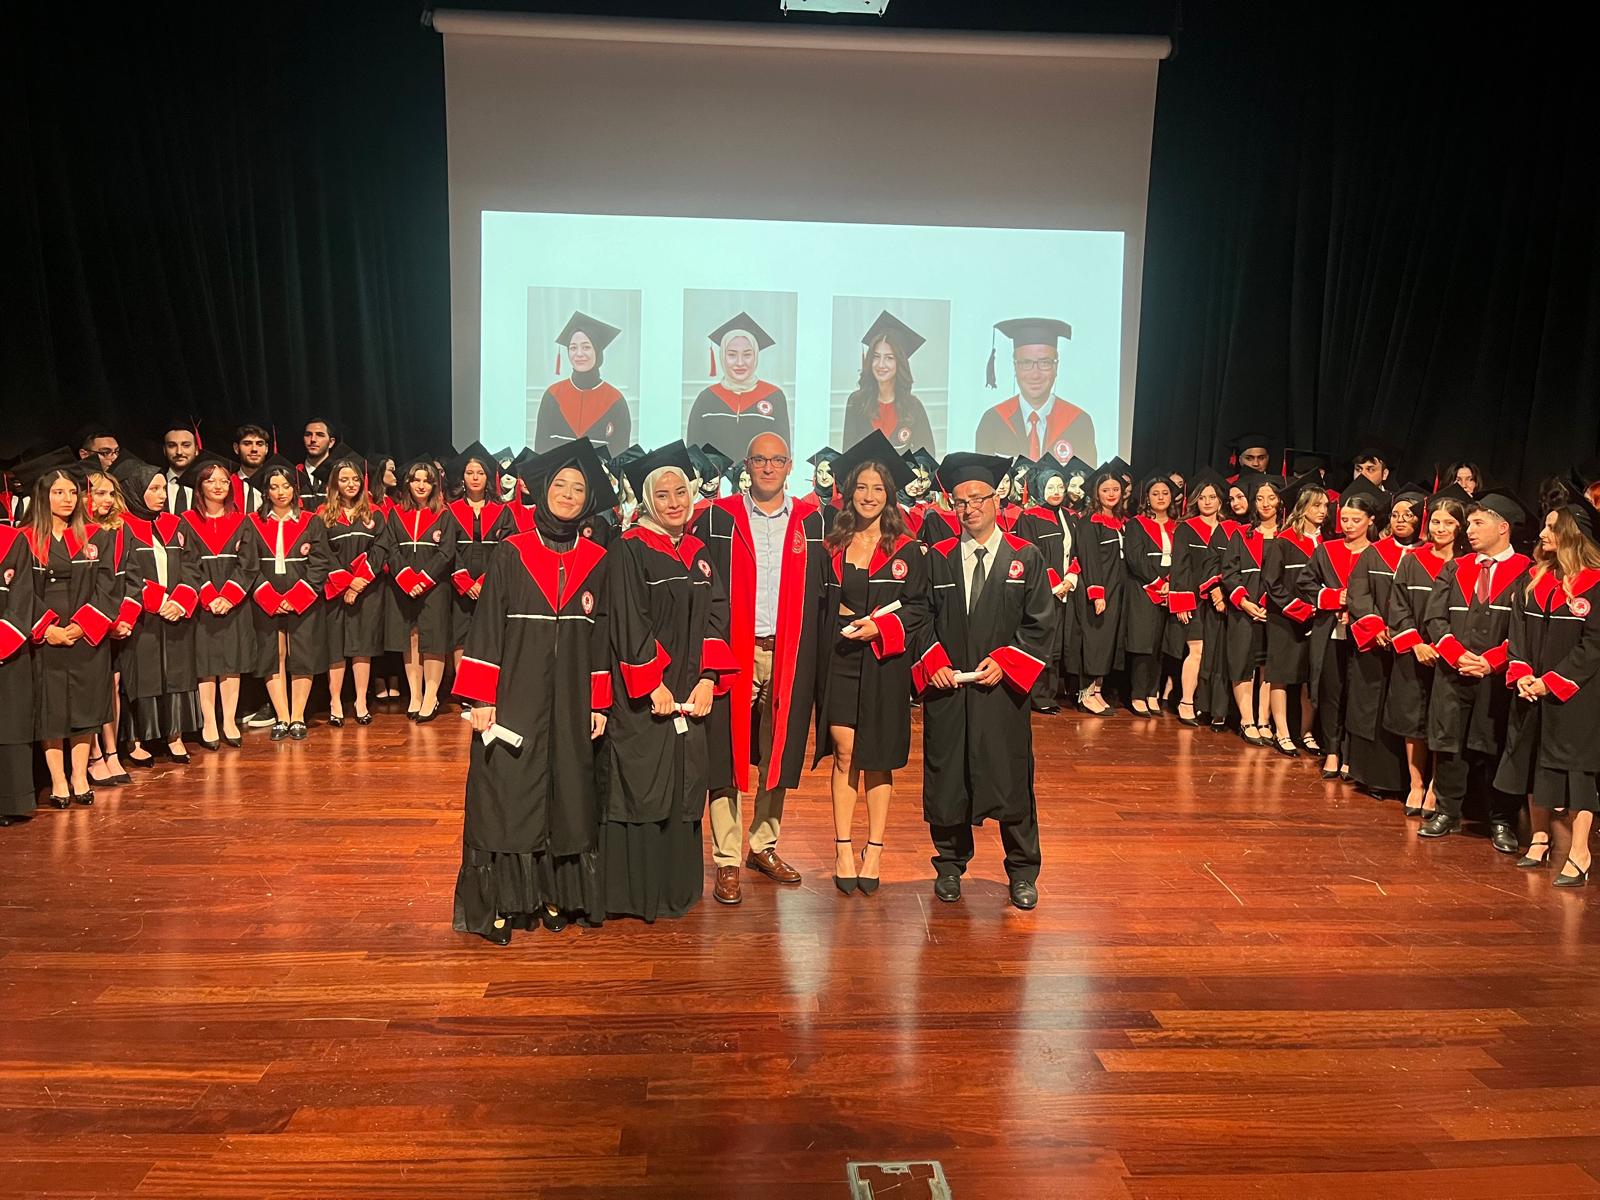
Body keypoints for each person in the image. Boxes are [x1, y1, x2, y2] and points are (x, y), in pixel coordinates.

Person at [453, 439, 616, 943]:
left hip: (571, 698)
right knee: (507, 790)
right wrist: (481, 698)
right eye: (560, 485)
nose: (568, 494)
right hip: (515, 692)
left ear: (588, 500)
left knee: (566, 790)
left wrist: (599, 701)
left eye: (578, 488)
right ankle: (502, 902)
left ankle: (553, 892)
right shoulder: (513, 551)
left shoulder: (597, 559)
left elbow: (601, 635)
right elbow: (486, 626)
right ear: (543, 491)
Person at [914, 451, 1056, 910]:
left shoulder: (1025, 557)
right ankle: (949, 864)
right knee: (948, 776)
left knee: (1011, 774)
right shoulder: (937, 559)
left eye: (978, 498)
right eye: (960, 501)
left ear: (997, 500)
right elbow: (920, 618)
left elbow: (1040, 623)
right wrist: (934, 661)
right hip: (949, 688)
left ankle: (1022, 870)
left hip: (1002, 692)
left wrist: (1007, 661)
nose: (969, 508)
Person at [601, 442, 735, 922]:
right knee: (642, 785)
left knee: (684, 784)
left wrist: (708, 678)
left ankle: (678, 889)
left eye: (681, 492)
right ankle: (638, 895)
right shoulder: (630, 547)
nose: (675, 502)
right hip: (645, 698)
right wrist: (652, 682)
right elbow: (627, 620)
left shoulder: (698, 552)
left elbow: (717, 616)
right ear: (647, 500)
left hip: (691, 695)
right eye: (663, 495)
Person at [691, 431, 827, 906]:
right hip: (735, 651)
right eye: (760, 460)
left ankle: (763, 845)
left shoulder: (813, 521)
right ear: (746, 465)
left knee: (777, 751)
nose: (769, 467)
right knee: (725, 751)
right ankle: (727, 857)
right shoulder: (717, 518)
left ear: (790, 467)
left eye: (778, 460)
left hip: (788, 651)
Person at [813, 431, 930, 896]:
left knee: (878, 758)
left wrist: (880, 628)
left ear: (889, 494)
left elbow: (918, 608)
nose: (869, 495)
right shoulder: (832, 544)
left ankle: (875, 849)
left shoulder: (906, 548)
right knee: (845, 753)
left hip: (884, 660)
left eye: (878, 488)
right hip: (840, 655)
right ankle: (843, 847)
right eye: (861, 487)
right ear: (849, 491)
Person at [1417, 491, 1533, 851]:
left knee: (1494, 746)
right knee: (1448, 743)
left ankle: (1500, 820)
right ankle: (1448, 813)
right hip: (1454, 672)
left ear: (1503, 527)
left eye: (1478, 522)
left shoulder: (1526, 571)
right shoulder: (1457, 567)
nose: (1469, 530)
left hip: (1497, 678)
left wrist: (1492, 661)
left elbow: (1526, 630)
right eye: (1468, 523)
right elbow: (1434, 617)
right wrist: (1456, 655)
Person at [1496, 500, 1600, 885]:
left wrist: (1551, 681)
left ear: (1574, 533)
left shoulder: (1595, 582)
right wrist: (1523, 673)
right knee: (1531, 759)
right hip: (1531, 689)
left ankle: (1580, 851)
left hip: (1578, 695)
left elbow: (1593, 645)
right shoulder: (1534, 579)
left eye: (1552, 527)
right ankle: (1539, 838)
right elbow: (1517, 633)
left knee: (1576, 770)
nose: (1542, 533)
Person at [25, 462, 120, 807]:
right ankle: (58, 780)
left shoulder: (96, 537)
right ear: (43, 496)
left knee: (85, 705)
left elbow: (109, 587)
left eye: (72, 492)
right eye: (58, 492)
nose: (67, 499)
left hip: (85, 635)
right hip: (46, 636)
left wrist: (83, 626)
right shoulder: (26, 539)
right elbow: (20, 592)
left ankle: (80, 775)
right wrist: (45, 629)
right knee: (50, 708)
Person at [111, 458, 201, 764]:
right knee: (142, 675)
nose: (162, 495)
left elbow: (192, 566)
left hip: (176, 615)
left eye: (164, 488)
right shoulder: (121, 526)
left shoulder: (174, 524)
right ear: (136, 490)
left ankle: (175, 735)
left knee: (176, 673)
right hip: (142, 616)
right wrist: (159, 601)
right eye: (154, 489)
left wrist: (181, 601)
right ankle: (136, 740)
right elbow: (125, 573)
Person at [1385, 489, 1467, 817]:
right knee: (1413, 718)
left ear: (1460, 527)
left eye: (1448, 523)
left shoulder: (1466, 564)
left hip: (1450, 655)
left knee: (1442, 723)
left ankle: (1436, 787)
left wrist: (1445, 646)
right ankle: (1416, 783)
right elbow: (1398, 606)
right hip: (1414, 651)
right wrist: (1416, 643)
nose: (1440, 528)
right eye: (1435, 522)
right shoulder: (1412, 560)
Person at [1342, 483, 1425, 798]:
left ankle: (1407, 781)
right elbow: (1359, 593)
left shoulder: (1430, 555)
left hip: (1411, 647)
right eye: (1395, 514)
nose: (1400, 520)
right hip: (1376, 645)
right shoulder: (1375, 552)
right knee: (1369, 708)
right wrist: (1375, 625)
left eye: (1408, 515)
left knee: (1405, 711)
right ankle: (1373, 777)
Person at [242, 460, 334, 740]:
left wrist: (297, 597)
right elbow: (248, 564)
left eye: (285, 486)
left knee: (302, 655)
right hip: (266, 598)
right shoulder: (253, 522)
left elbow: (320, 562)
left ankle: (297, 716)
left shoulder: (311, 521)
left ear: (295, 489)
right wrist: (270, 597)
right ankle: (281, 716)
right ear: (266, 491)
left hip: (302, 598)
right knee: (273, 655)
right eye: (274, 487)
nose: (280, 492)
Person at [1302, 483, 1384, 781]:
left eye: (1356, 520)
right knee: (1331, 693)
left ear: (1370, 520)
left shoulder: (1378, 554)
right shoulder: (1327, 549)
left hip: (1364, 635)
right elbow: (1305, 583)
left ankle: (1351, 755)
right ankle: (1333, 751)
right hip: (1331, 632)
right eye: (1344, 519)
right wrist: (1334, 597)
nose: (1348, 525)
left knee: (1357, 696)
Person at [180, 455, 251, 748]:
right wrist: (210, 596)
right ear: (200, 486)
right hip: (202, 603)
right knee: (206, 662)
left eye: (224, 481)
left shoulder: (242, 521)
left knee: (231, 661)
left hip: (234, 603)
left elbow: (248, 563)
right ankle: (209, 721)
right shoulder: (187, 521)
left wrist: (229, 596)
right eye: (211, 481)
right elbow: (187, 564)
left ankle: (229, 720)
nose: (219, 486)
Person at [385, 457, 457, 721]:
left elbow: (446, 552)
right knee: (411, 638)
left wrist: (423, 579)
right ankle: (415, 694)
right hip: (403, 584)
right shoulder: (396, 514)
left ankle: (431, 695)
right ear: (408, 483)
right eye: (416, 480)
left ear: (435, 485)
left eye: (427, 481)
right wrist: (406, 578)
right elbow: (391, 548)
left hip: (434, 585)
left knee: (433, 640)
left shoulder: (444, 514)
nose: (421, 485)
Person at [320, 453, 390, 726]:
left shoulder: (374, 514)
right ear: (334, 483)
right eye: (344, 479)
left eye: (355, 479)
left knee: (363, 646)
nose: (350, 484)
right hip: (335, 591)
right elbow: (323, 553)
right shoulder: (323, 516)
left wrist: (360, 581)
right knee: (335, 647)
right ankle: (335, 701)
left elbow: (380, 548)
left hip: (368, 590)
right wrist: (346, 582)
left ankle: (361, 700)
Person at [1013, 455, 1085, 714]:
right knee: (1042, 639)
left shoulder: (1071, 517)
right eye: (1050, 487)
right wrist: (1055, 583)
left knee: (1059, 642)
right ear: (1040, 489)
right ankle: (1037, 694)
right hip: (1043, 589)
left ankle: (1050, 693)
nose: (1056, 491)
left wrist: (1071, 578)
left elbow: (1077, 551)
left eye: (1060, 487)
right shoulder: (1029, 517)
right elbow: (1031, 554)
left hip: (1067, 588)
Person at [1261, 474, 1326, 756]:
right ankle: (1283, 732)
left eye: (1325, 506)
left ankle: (1306, 732)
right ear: (1302, 507)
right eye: (1316, 505)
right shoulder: (1284, 541)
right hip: (1286, 619)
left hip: (1319, 619)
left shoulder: (1327, 541)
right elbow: (1272, 583)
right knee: (1282, 674)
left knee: (1310, 678)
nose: (1322, 511)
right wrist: (1301, 610)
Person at [975, 319, 1096, 465]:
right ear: (1015, 367)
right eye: (1026, 363)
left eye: (1044, 363)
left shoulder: (1079, 423)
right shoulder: (992, 422)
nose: (1035, 375)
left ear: (1056, 367)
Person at [444, 443, 516, 677]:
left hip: (492, 581)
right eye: (470, 473)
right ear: (462, 478)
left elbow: (507, 549)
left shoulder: (503, 511)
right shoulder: (450, 510)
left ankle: (485, 685)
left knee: (490, 631)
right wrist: (465, 582)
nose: (475, 478)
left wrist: (486, 580)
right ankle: (462, 687)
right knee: (460, 634)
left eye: (480, 473)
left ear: (489, 477)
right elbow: (447, 549)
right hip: (459, 583)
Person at [1167, 468, 1232, 727]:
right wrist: (1182, 601)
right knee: (1197, 650)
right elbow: (1179, 566)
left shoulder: (1230, 530)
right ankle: (1186, 702)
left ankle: (1209, 704)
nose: (1207, 502)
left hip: (1222, 601)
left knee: (1215, 654)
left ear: (1220, 501)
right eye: (1202, 497)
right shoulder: (1186, 529)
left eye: (1212, 497)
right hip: (1194, 599)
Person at [1221, 473, 1282, 744]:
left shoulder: (1287, 536)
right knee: (1243, 663)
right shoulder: (1241, 534)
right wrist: (1245, 602)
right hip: (1244, 609)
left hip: (1276, 611)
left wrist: (1273, 603)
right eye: (1259, 499)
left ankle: (1264, 720)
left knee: (1269, 666)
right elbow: (1229, 573)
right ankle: (1247, 720)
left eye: (1271, 498)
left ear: (1280, 502)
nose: (1265, 504)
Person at [685, 312, 792, 455]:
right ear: (723, 356)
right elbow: (693, 454)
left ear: (755, 356)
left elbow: (782, 453)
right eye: (732, 355)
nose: (740, 362)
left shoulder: (774, 397)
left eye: (747, 354)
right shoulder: (706, 398)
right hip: (715, 470)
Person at [533, 311, 632, 456]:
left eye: (586, 347)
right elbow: (540, 452)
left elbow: (619, 457)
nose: (579, 354)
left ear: (597, 351)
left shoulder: (615, 400)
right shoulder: (553, 395)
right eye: (573, 348)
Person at [1123, 474, 1182, 718]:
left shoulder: (1178, 526)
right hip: (1143, 589)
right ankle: (1138, 694)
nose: (1160, 497)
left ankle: (1152, 693)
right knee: (1143, 643)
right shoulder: (1136, 524)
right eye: (1155, 493)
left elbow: (1182, 559)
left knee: (1160, 644)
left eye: (1165, 493)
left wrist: (1171, 582)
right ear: (1147, 498)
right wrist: (1158, 582)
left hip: (1170, 590)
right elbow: (1135, 558)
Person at [841, 311, 936, 457]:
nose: (881, 364)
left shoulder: (913, 407)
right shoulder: (857, 402)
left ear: (900, 363)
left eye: (889, 358)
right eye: (876, 357)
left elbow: (927, 458)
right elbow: (847, 455)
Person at [1074, 465, 1127, 716]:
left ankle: (1097, 691)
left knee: (1107, 643)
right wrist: (1097, 594)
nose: (1111, 493)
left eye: (1115, 489)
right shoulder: (1089, 522)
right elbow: (1089, 559)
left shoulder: (1120, 522)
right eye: (1106, 490)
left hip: (1116, 589)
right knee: (1095, 641)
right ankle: (1085, 694)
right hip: (1098, 589)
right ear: (1096, 493)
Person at [0, 515, 37, 825]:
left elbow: (23, 598)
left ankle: (9, 800)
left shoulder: (13, 541)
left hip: (7, 648)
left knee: (9, 722)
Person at [297, 417, 338, 510]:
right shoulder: (294, 474)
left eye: (320, 435)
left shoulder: (338, 474)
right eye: (308, 435)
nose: (313, 439)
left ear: (331, 442)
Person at [232, 423, 273, 513]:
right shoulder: (227, 484)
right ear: (236, 448)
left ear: (266, 449)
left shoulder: (275, 484)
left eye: (259, 444)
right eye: (247, 444)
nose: (254, 449)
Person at [161, 421, 200, 513]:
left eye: (186, 445)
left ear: (196, 450)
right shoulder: (154, 483)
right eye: (172, 446)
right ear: (164, 450)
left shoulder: (205, 484)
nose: (179, 452)